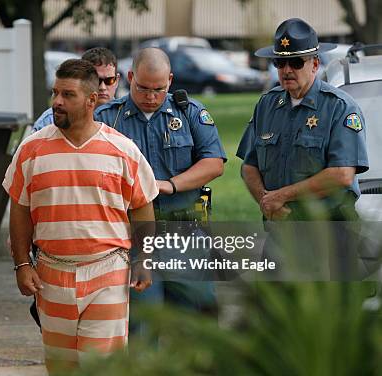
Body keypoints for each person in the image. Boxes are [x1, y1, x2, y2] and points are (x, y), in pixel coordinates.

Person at [3, 59, 157, 373]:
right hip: (50, 274)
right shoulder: (31, 149)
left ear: (90, 100)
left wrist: (143, 259)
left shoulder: (122, 150)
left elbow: (142, 205)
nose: (57, 102)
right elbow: (19, 208)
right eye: (55, 93)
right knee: (62, 368)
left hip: (108, 271)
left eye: (68, 95)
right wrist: (21, 263)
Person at [95, 48, 226, 330]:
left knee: (197, 324)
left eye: (159, 89)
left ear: (170, 80)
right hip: (134, 239)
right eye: (143, 88)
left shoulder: (189, 112)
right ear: (130, 77)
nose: (151, 96)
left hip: (184, 237)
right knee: (143, 325)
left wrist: (170, 185)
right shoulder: (107, 119)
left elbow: (214, 163)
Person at [237, 18, 368, 277]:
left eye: (296, 62)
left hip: (330, 235)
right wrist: (267, 201)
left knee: (330, 315)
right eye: (280, 62)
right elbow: (249, 165)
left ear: (315, 64)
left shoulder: (339, 107)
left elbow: (342, 174)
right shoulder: (267, 105)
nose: (287, 70)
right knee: (274, 312)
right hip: (281, 234)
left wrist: (282, 195)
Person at [33, 47, 120, 132]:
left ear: (117, 80)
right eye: (97, 80)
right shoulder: (49, 121)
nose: (102, 87)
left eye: (110, 80)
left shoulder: (124, 117)